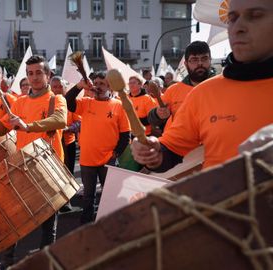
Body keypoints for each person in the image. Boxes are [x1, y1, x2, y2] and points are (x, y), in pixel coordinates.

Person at [131, 0, 273, 172]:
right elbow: (170, 149)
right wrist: (152, 152)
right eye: (232, 18)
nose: (239, 27)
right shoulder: (203, 93)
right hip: (215, 195)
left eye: (255, 15)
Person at [0, 55, 66, 268]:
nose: (34, 77)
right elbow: (0, 129)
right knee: (16, 219)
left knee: (49, 224)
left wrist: (28, 126)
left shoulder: (56, 99)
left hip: (50, 166)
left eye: (39, 72)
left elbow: (60, 120)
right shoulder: (19, 102)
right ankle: (8, 262)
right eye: (30, 73)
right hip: (23, 166)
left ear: (48, 75)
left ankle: (45, 262)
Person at [66, 71, 131, 224]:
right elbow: (67, 101)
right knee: (88, 195)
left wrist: (116, 153)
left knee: (109, 195)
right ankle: (86, 225)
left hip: (108, 159)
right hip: (87, 158)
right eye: (96, 83)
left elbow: (125, 134)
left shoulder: (119, 105)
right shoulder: (86, 102)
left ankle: (109, 223)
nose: (98, 86)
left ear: (109, 86)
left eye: (102, 84)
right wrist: (79, 86)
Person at [147, 41, 215, 133]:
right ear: (186, 64)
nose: (200, 63)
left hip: (213, 145)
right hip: (179, 145)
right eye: (194, 60)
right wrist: (158, 114)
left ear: (210, 60)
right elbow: (153, 119)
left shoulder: (222, 88)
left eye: (204, 58)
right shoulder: (173, 90)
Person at [50, 75, 80, 212]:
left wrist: (67, 128)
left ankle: (67, 201)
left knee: (67, 173)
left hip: (68, 143)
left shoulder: (70, 103)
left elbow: (79, 122)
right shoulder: (48, 101)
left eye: (60, 86)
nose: (57, 89)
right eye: (54, 86)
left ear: (65, 87)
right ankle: (54, 202)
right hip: (50, 145)